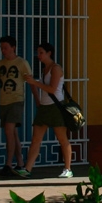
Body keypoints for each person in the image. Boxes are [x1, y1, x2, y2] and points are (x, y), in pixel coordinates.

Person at [17, 41, 73, 179]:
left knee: (62, 138)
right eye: (38, 53)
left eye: (41, 52)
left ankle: (68, 168)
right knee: (36, 139)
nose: (39, 55)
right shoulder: (45, 69)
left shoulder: (56, 68)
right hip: (44, 108)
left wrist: (35, 82)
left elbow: (52, 89)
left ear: (49, 53)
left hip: (56, 107)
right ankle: (27, 169)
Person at [0, 35, 31, 177]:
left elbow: (30, 80)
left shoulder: (22, 63)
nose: (3, 51)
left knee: (9, 130)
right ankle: (20, 162)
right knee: (12, 133)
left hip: (16, 100)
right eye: (2, 48)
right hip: (4, 100)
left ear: (13, 47)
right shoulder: (1, 64)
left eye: (6, 48)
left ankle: (8, 164)